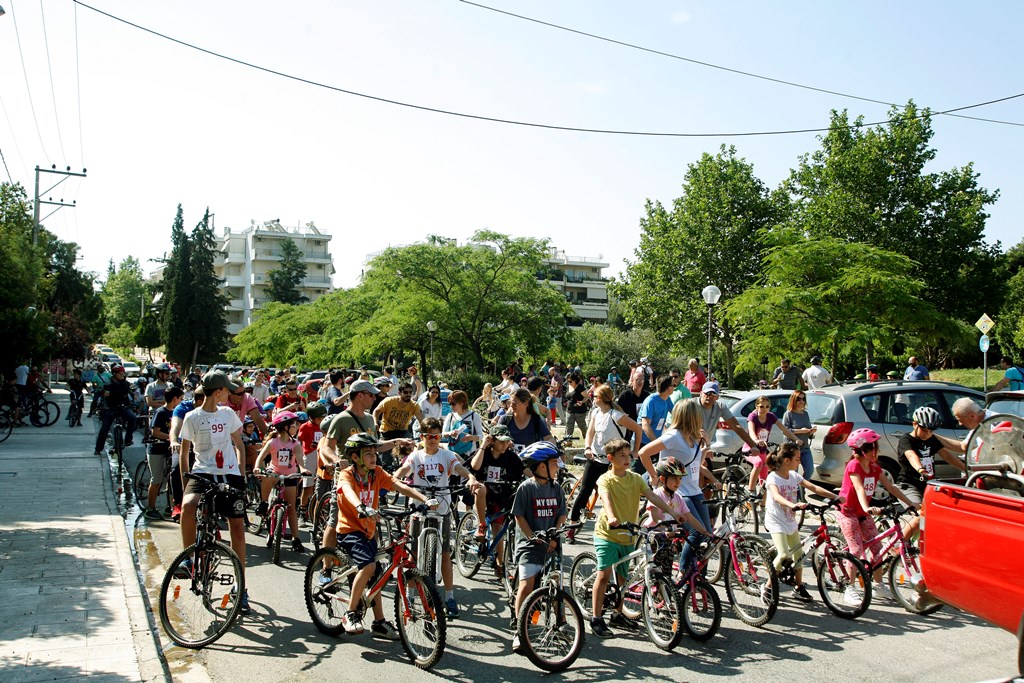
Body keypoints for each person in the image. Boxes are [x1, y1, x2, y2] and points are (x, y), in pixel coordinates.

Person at [334, 433, 434, 636]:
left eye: (375, 453)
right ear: (355, 457)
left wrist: (424, 499)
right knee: (369, 566)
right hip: (350, 530)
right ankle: (350, 613)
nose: (374, 457)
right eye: (368, 454)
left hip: (369, 531)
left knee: (377, 574)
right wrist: (361, 506)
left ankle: (379, 622)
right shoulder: (347, 475)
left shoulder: (376, 473)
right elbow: (347, 491)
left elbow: (399, 485)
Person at [589, 438, 690, 637]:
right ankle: (596, 618)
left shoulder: (635, 478)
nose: (628, 459)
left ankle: (617, 615)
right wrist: (611, 516)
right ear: (610, 458)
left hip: (628, 534)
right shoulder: (605, 479)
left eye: (629, 455)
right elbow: (606, 498)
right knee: (604, 575)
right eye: (622, 456)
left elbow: (652, 497)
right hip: (607, 534)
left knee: (623, 578)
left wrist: (671, 511)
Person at [178, 371, 251, 612]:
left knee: (237, 527)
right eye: (227, 390)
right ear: (218, 391)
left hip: (229, 473)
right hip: (202, 472)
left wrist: (240, 474)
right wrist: (184, 481)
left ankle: (241, 588)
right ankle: (189, 559)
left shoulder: (228, 413)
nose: (231, 394)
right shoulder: (192, 417)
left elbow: (238, 445)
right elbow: (184, 451)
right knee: (188, 506)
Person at [394, 417, 481, 618]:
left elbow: (458, 467)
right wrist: (396, 476)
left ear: (440, 436)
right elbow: (405, 469)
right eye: (428, 436)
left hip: (441, 507)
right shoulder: (416, 456)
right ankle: (411, 593)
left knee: (444, 552)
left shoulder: (446, 454)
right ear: (422, 437)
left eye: (436, 436)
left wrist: (471, 477)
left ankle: (450, 597)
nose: (432, 439)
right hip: (419, 507)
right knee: (413, 552)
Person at [837, 428, 917, 606]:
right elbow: (858, 488)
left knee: (878, 547)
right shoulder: (854, 465)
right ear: (864, 450)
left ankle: (878, 585)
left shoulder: (874, 467)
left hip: (864, 513)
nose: (878, 451)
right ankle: (849, 587)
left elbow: (891, 487)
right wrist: (867, 507)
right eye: (874, 447)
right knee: (856, 550)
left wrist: (910, 505)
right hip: (848, 512)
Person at [638, 399, 719, 570]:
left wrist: (705, 444)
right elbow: (643, 453)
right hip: (681, 492)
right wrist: (654, 475)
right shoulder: (673, 436)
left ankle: (698, 581)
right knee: (696, 534)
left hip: (695, 490)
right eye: (697, 414)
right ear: (691, 416)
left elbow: (697, 464)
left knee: (707, 536)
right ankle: (684, 570)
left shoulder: (693, 437)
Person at [764, 443, 840, 603]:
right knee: (784, 554)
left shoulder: (793, 476)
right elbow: (777, 496)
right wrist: (792, 505)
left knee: (799, 556)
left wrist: (836, 497)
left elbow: (813, 487)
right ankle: (768, 586)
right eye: (797, 459)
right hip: (776, 520)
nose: (799, 462)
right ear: (786, 460)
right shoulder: (773, 477)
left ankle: (798, 588)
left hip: (790, 520)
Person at [510, 441, 567, 653]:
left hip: (552, 543)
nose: (558, 467)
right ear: (542, 467)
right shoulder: (526, 488)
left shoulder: (556, 488)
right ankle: (519, 629)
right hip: (529, 544)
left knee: (556, 583)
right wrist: (532, 536)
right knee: (527, 584)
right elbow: (519, 516)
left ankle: (559, 621)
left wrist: (555, 535)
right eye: (554, 464)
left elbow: (562, 513)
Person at [568, 384, 641, 537]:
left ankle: (617, 525)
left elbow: (638, 429)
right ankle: (572, 526)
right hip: (595, 458)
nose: (591, 398)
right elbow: (589, 432)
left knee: (614, 494)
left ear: (599, 398)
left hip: (613, 462)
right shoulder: (595, 412)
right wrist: (587, 448)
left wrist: (635, 451)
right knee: (584, 491)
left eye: (593, 396)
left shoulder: (616, 415)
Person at [895, 406, 965, 534]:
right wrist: (921, 469)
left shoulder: (931, 439)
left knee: (941, 515)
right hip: (908, 485)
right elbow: (911, 456)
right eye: (924, 430)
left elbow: (947, 455)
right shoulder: (906, 440)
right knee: (919, 517)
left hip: (927, 485)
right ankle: (897, 547)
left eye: (931, 431)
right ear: (914, 424)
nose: (927, 434)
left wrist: (966, 469)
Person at [469, 424, 525, 556]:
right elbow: (475, 466)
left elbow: (523, 470)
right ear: (492, 440)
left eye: (506, 442)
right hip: (482, 492)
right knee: (480, 488)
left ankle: (499, 564)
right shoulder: (484, 453)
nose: (504, 445)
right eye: (501, 442)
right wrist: (483, 445)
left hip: (500, 494)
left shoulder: (510, 456)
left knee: (498, 527)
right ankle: (481, 525)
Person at [691, 381, 759, 467]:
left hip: (704, 448)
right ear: (701, 393)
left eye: (713, 394)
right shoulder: (692, 405)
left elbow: (736, 426)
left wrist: (753, 445)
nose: (710, 396)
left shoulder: (720, 407)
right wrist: (702, 448)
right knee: (701, 470)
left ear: (717, 397)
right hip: (689, 446)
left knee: (707, 476)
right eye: (707, 393)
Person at [743, 396, 800, 495]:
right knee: (759, 463)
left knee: (765, 475)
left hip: (763, 450)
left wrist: (796, 439)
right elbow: (751, 431)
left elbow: (784, 430)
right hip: (750, 448)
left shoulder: (771, 416)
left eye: (767, 406)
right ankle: (751, 491)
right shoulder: (753, 416)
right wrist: (756, 440)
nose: (764, 409)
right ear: (757, 406)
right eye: (761, 406)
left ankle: (762, 502)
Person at [144, 386, 184, 520]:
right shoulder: (161, 412)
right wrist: (172, 438)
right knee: (157, 479)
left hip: (169, 450)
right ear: (174, 398)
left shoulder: (177, 413)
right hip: (156, 450)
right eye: (180, 398)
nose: (182, 401)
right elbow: (155, 432)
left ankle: (170, 506)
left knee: (171, 478)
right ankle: (150, 508)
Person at [373, 381, 423, 466]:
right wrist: (375, 422)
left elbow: (421, 419)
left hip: (402, 431)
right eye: (406, 392)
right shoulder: (389, 401)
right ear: (399, 393)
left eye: (410, 392)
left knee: (410, 449)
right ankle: (386, 470)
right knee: (385, 459)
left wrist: (425, 429)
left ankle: (407, 468)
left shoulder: (414, 405)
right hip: (386, 431)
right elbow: (376, 411)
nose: (408, 394)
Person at [94, 365, 138, 456]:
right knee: (104, 429)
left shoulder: (125, 383)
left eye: (123, 373)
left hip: (122, 407)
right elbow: (107, 395)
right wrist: (117, 394)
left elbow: (124, 392)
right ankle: (98, 448)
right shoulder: (107, 383)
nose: (122, 375)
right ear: (114, 374)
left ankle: (128, 439)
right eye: (120, 373)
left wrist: (112, 393)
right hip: (109, 409)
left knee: (133, 418)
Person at [298, 402, 328, 516]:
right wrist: (308, 446)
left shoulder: (325, 425)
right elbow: (300, 440)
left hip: (322, 455)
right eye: (319, 418)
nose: (322, 420)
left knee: (322, 483)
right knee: (308, 486)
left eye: (323, 417)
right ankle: (302, 509)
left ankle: (321, 508)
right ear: (311, 417)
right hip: (310, 455)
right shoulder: (305, 426)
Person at [782, 390, 817, 479]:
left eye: (803, 399)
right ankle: (796, 491)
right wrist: (801, 431)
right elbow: (785, 430)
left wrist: (810, 431)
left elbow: (807, 430)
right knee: (793, 473)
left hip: (805, 447)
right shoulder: (789, 414)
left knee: (809, 470)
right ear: (793, 400)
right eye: (798, 399)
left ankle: (801, 489)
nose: (801, 401)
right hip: (792, 448)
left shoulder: (805, 413)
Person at [442, 390, 482, 460]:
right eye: (450, 404)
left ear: (462, 402)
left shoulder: (474, 416)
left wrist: (471, 437)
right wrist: (450, 433)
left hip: (469, 454)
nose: (451, 406)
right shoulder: (450, 416)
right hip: (453, 454)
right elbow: (443, 434)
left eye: (453, 403)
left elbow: (481, 436)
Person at [638, 375, 674, 452]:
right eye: (672, 385)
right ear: (668, 388)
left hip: (655, 441)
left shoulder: (667, 399)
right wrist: (657, 443)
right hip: (642, 443)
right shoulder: (651, 401)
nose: (674, 387)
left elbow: (676, 413)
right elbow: (645, 425)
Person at [562, 373, 590, 440]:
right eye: (568, 381)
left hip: (579, 410)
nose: (569, 383)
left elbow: (586, 397)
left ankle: (588, 439)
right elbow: (569, 397)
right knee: (569, 425)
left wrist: (582, 401)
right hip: (569, 410)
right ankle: (568, 441)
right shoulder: (568, 386)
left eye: (571, 381)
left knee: (582, 426)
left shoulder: (580, 387)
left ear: (575, 380)